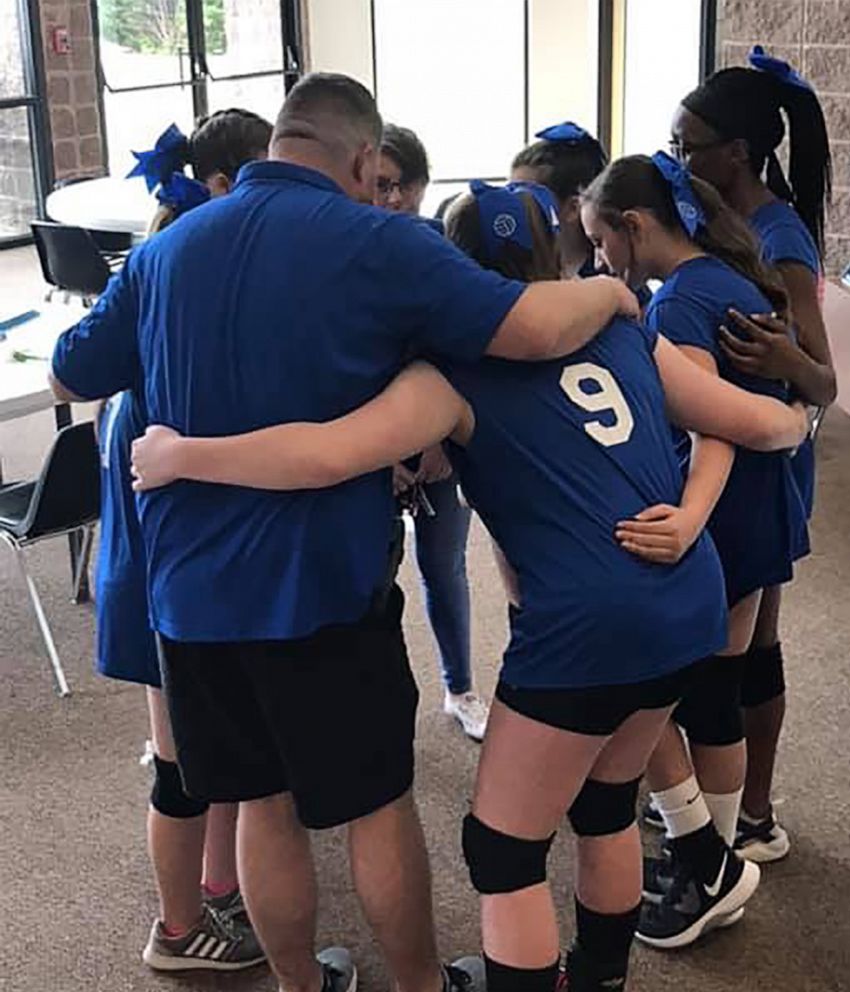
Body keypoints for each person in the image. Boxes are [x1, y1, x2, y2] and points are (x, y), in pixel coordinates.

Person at [128, 180, 807, 992]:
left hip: (582, 626)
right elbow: (759, 424)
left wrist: (181, 456)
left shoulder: (449, 375)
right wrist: (718, 488)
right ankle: (596, 979)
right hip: (685, 599)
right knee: (604, 805)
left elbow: (321, 455)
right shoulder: (627, 328)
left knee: (505, 850)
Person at [50, 72, 640, 992]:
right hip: (323, 585)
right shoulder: (379, 240)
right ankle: (412, 985)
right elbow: (523, 326)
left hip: (192, 597)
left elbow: (73, 371)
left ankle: (300, 985)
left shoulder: (166, 250)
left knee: (261, 804)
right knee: (375, 805)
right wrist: (608, 297)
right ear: (365, 160)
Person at [581, 152, 809, 948]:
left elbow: (713, 421)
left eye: (602, 242)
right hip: (760, 512)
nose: (600, 261)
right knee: (716, 691)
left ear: (635, 227)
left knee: (647, 696)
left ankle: (701, 858)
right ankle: (708, 858)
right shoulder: (726, 276)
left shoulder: (677, 305)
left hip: (717, 517)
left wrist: (684, 521)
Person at [97, 110, 272, 972]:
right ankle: (178, 930)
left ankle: (213, 893)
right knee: (181, 761)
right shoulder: (167, 301)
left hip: (178, 574)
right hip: (169, 580)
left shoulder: (170, 276)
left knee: (210, 752)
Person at [671, 44, 836, 861]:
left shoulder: (780, 239)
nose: (676, 157)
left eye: (686, 144)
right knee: (726, 641)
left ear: (735, 153)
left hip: (766, 464)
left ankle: (751, 813)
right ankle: (728, 809)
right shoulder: (718, 220)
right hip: (724, 451)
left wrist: (786, 365)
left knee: (748, 645)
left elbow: (825, 380)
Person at [376, 123, 488, 741]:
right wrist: (389, 452)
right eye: (379, 185)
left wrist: (440, 439)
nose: (390, 199)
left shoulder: (439, 254)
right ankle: (376, 703)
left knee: (444, 564)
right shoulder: (348, 261)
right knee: (370, 574)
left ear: (421, 188)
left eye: (402, 186)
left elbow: (457, 355)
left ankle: (460, 688)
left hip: (440, 443)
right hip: (374, 446)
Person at [510, 121, 608, 277]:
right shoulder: (511, 268)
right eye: (510, 194)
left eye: (526, 200)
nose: (511, 207)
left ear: (573, 208)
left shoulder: (615, 277)